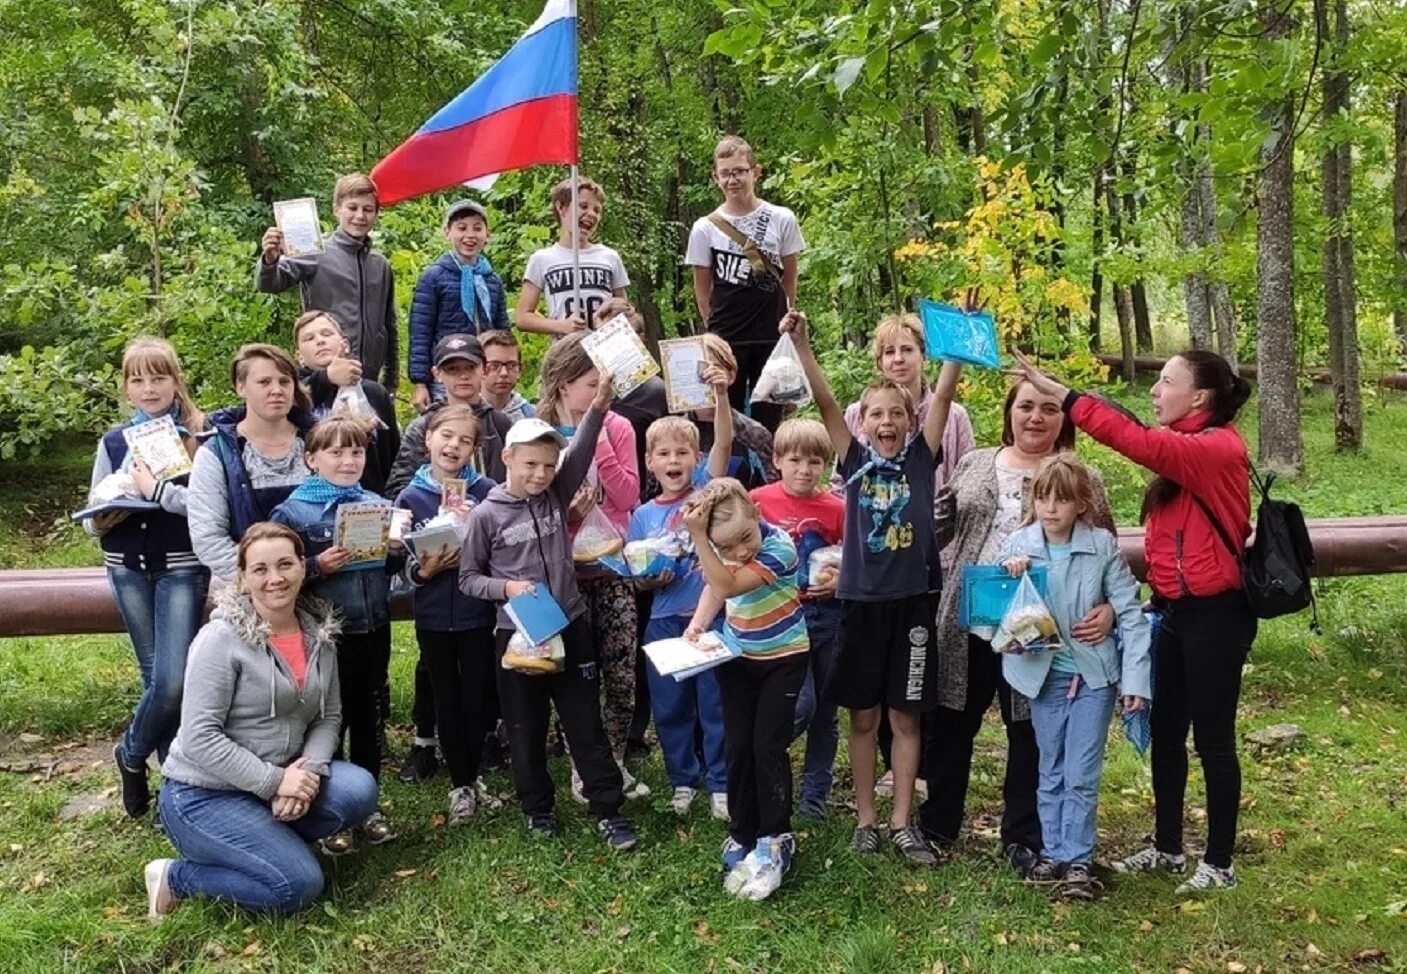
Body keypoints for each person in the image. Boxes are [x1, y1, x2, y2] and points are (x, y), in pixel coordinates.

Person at [1014, 348, 1256, 894]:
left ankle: (1218, 861)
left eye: (1166, 381)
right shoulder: (1187, 452)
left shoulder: (1213, 448)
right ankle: (1168, 848)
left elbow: (1134, 440)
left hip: (1216, 616)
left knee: (1213, 740)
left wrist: (1062, 395)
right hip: (1170, 611)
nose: (1154, 390)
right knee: (1167, 733)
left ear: (1199, 397)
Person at [920, 378, 1116, 876]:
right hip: (971, 616)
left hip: (1042, 628)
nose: (1036, 417)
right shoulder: (975, 463)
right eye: (1025, 406)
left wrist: (1112, 608)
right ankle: (939, 824)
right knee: (953, 721)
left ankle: (1023, 836)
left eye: (1049, 408)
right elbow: (937, 527)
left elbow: (1107, 551)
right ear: (1009, 412)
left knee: (1030, 730)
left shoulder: (1081, 476)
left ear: (1063, 419)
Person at [784, 308, 957, 866]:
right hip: (858, 605)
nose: (885, 422)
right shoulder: (854, 459)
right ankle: (865, 820)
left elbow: (946, 396)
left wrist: (957, 339)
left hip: (912, 607)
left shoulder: (922, 463)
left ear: (911, 419)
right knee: (863, 717)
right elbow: (827, 402)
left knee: (906, 718)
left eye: (895, 414)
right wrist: (804, 345)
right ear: (863, 425)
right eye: (875, 415)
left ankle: (903, 821)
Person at [145, 523, 378, 918]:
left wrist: (308, 776)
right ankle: (176, 878)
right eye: (260, 569)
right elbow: (200, 737)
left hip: (280, 776)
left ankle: (267, 841)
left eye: (286, 564)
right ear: (243, 577)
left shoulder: (318, 632)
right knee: (299, 886)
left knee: (358, 789)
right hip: (203, 793)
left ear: (302, 569)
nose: (275, 578)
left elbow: (329, 716)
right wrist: (274, 781)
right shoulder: (219, 639)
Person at [458, 393, 640, 852]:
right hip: (518, 636)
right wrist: (507, 589)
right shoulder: (486, 515)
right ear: (507, 459)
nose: (539, 474)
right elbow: (468, 579)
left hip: (570, 625)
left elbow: (580, 450)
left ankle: (608, 810)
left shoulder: (556, 494)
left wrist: (598, 404)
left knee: (585, 723)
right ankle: (538, 810)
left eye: (547, 465)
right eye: (530, 465)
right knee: (526, 726)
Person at [996, 454, 1151, 900]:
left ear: (1081, 504)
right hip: (1043, 678)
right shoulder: (1017, 546)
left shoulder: (1100, 546)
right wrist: (1011, 577)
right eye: (1043, 498)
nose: (1051, 508)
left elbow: (1131, 613)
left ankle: (1079, 860)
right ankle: (1054, 852)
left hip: (1093, 677)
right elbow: (993, 616)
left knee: (1081, 771)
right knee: (1051, 768)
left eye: (1062, 500)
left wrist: (1136, 683)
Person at [85, 338, 210, 818]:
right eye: (138, 379)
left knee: (175, 679)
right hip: (126, 567)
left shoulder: (197, 434)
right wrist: (104, 515)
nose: (149, 387)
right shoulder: (115, 441)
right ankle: (175, 784)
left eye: (158, 377)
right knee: (154, 678)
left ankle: (131, 755)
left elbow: (203, 504)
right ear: (127, 386)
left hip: (180, 563)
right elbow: (91, 515)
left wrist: (156, 490)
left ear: (176, 380)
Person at [270, 418, 402, 851]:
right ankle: (332, 813)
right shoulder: (293, 512)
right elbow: (278, 570)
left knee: (368, 717)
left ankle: (368, 804)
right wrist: (316, 566)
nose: (349, 461)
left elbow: (387, 569)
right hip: (326, 635)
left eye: (357, 452)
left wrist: (399, 550)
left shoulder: (374, 503)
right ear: (311, 459)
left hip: (373, 627)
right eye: (336, 452)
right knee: (329, 719)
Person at [534, 334, 648, 802]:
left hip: (611, 567)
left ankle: (614, 761)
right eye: (590, 383)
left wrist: (596, 437)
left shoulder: (618, 426)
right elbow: (528, 509)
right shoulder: (535, 429)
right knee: (575, 675)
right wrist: (572, 515)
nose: (602, 390)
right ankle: (585, 764)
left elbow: (627, 497)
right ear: (563, 384)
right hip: (560, 578)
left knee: (621, 673)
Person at [683, 479, 809, 901]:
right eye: (727, 547)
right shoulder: (723, 549)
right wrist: (699, 623)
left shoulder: (781, 547)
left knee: (767, 747)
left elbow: (732, 584)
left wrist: (701, 537)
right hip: (738, 658)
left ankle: (775, 836)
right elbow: (715, 585)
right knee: (737, 746)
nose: (739, 552)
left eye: (744, 539)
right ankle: (743, 830)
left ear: (757, 511)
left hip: (784, 660)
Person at [627, 399, 734, 820]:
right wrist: (649, 579)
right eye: (664, 454)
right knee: (670, 706)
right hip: (663, 621)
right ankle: (683, 781)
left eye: (682, 452)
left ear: (697, 459)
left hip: (708, 617)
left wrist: (722, 395)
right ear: (649, 462)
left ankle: (721, 784)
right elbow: (636, 576)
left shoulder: (708, 494)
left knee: (715, 703)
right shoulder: (640, 517)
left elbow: (724, 438)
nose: (674, 460)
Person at [394, 405, 499, 825]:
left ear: (475, 449)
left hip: (478, 614)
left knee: (478, 698)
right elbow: (399, 566)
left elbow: (505, 551)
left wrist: (477, 533)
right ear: (428, 440)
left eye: (465, 440)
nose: (454, 445)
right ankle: (460, 785)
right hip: (434, 617)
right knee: (446, 698)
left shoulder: (489, 491)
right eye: (446, 436)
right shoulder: (409, 497)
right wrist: (425, 570)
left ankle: (473, 778)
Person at [749, 418, 845, 820]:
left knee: (826, 709)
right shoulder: (757, 501)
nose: (804, 470)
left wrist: (841, 580)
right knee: (800, 703)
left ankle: (814, 797)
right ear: (777, 461)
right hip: (779, 615)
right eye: (795, 460)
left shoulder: (837, 509)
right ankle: (759, 759)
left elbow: (852, 560)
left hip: (828, 615)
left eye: (814, 462)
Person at [686, 135, 804, 433]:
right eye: (725, 173)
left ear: (755, 171)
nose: (732, 180)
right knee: (727, 420)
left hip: (771, 335)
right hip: (727, 338)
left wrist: (786, 319)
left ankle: (771, 474)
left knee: (771, 421)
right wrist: (715, 335)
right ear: (715, 178)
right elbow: (702, 291)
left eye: (739, 171)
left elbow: (789, 277)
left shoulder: (782, 218)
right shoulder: (704, 228)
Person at [257, 173, 398, 392]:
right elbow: (271, 284)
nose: (359, 216)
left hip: (369, 378)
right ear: (336, 209)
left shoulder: (380, 265)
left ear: (376, 214)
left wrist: (391, 380)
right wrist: (269, 260)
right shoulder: (313, 251)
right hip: (325, 376)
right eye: (352, 208)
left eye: (368, 209)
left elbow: (388, 325)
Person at [188, 344, 316, 583]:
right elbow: (208, 537)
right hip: (248, 594)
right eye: (264, 382)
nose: (276, 390)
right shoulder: (217, 453)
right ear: (240, 387)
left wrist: (313, 572)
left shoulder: (321, 442)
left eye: (284, 382)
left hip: (326, 587)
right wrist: (263, 581)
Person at [409, 199, 510, 413]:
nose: (469, 236)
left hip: (484, 370)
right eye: (461, 228)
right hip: (448, 371)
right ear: (448, 233)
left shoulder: (491, 279)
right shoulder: (434, 277)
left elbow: (502, 331)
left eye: (477, 228)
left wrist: (505, 365)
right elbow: (420, 332)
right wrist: (420, 382)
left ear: (487, 235)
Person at [385, 334, 513, 497]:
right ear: (437, 373)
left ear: (485, 370)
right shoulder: (424, 425)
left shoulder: (500, 423)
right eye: (452, 369)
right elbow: (398, 487)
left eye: (470, 367)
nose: (463, 376)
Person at [292, 310, 400, 495]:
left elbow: (393, 454)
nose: (320, 340)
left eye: (326, 334)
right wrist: (326, 378)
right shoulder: (292, 393)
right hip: (313, 501)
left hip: (370, 500)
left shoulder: (374, 393)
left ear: (345, 344)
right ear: (299, 356)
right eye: (309, 338)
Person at [517, 176, 629, 335]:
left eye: (597, 210)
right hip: (565, 352)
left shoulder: (610, 257)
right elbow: (523, 317)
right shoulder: (542, 259)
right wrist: (560, 326)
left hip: (605, 352)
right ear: (561, 207)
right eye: (583, 206)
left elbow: (623, 309)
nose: (591, 214)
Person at [480, 330, 538, 422]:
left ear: (520, 370)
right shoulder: (465, 414)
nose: (504, 373)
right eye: (495, 366)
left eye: (512, 365)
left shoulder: (532, 417)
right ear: (479, 368)